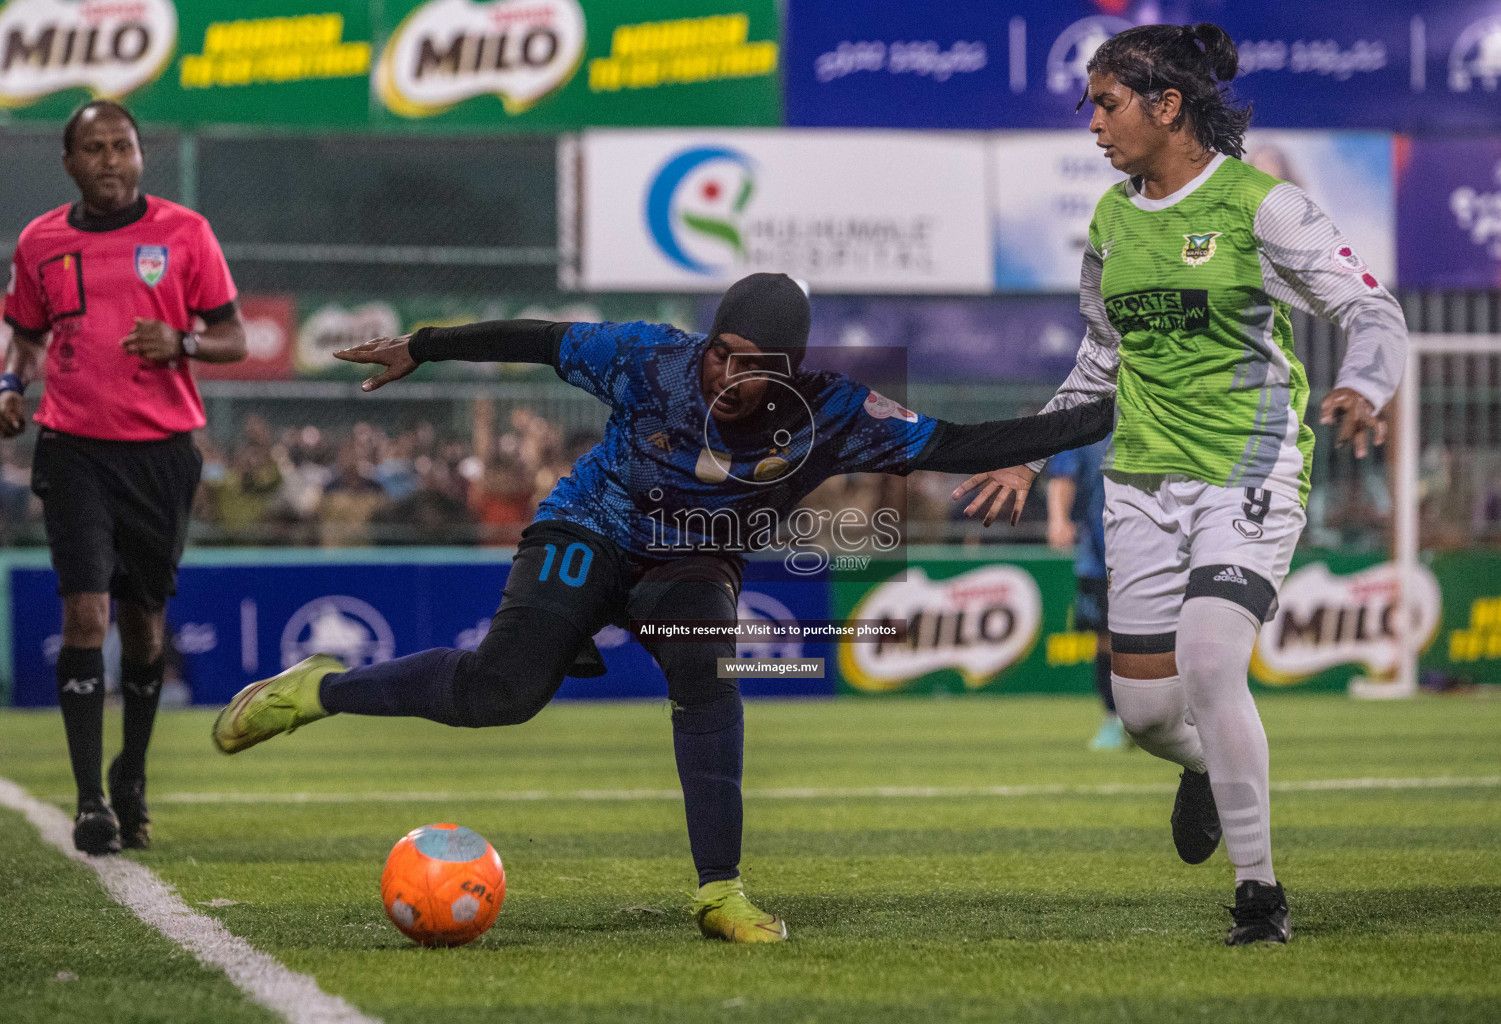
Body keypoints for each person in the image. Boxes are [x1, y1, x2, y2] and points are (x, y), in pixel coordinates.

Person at [212, 273, 1112, 942]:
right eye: (721, 354)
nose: (728, 376)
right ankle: (317, 692)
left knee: (705, 669)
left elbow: (959, 441)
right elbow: (539, 338)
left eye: (752, 368)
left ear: (792, 372)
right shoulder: (649, 356)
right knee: (501, 694)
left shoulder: (835, 411)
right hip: (589, 526)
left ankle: (719, 890)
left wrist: (1098, 417)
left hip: (693, 560)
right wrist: (429, 344)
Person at [952, 24, 1405, 944]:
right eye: (1091, 106)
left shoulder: (1261, 205)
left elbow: (1370, 305)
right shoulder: (1113, 220)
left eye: (1107, 103)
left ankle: (1260, 895)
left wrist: (1366, 380)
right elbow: (1099, 360)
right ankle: (1202, 767)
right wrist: (1030, 452)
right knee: (1150, 712)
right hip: (1141, 482)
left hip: (1250, 463)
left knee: (1208, 664)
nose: (1094, 124)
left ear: (1168, 106)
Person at [1, 101, 246, 854]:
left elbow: (234, 338)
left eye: (124, 146)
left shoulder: (185, 233)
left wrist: (184, 343)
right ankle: (88, 802)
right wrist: (10, 387)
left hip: (162, 452)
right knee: (86, 615)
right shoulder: (41, 242)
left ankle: (131, 775)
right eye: (96, 149)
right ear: (71, 163)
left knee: (143, 622)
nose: (112, 160)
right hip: (73, 449)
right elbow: (27, 340)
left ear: (142, 156)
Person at [1045, 435, 1124, 750]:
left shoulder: (1161, 407)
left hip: (1157, 550)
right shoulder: (1088, 415)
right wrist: (1058, 519)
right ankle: (1113, 719)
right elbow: (1063, 473)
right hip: (1097, 553)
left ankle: (1172, 715)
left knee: (1167, 635)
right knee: (1105, 639)